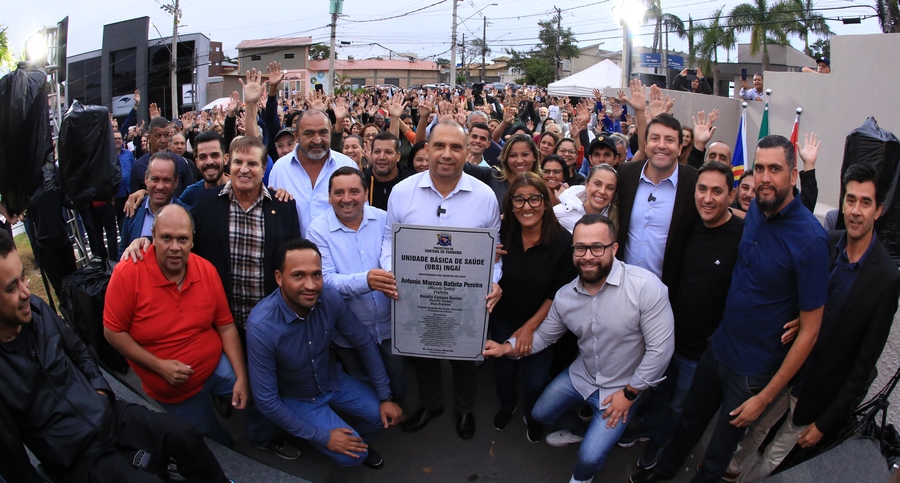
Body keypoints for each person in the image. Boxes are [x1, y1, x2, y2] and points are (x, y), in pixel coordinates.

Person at [630, 135, 830, 483]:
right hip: (716, 350)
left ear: (794, 174)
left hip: (751, 373)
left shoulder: (811, 240)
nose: (765, 178)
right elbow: (725, 213)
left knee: (716, 456)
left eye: (775, 169)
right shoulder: (756, 213)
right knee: (687, 426)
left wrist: (764, 398)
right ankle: (659, 475)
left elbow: (811, 330)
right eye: (760, 168)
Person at [0, 229, 231, 483]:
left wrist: (100, 390)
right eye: (12, 288)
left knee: (183, 435)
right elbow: (13, 460)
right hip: (80, 456)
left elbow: (78, 350)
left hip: (110, 414)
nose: (25, 292)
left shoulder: (37, 309)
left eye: (23, 277)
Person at [725, 163, 900, 481]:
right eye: (850, 200)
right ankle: (729, 472)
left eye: (865, 202)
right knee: (754, 431)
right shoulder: (827, 242)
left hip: (816, 394)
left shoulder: (886, 278)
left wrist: (825, 423)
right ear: (842, 203)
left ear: (879, 210)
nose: (856, 211)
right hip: (785, 370)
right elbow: (802, 299)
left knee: (775, 456)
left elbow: (863, 367)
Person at [484, 214, 674, 483]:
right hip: (581, 375)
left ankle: (582, 477)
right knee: (540, 413)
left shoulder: (645, 287)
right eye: (580, 248)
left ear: (614, 248)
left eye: (597, 247)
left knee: (588, 458)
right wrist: (505, 348)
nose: (588, 256)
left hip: (623, 387)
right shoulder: (565, 296)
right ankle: (582, 431)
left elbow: (660, 351)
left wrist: (630, 394)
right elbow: (544, 337)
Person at [105, 204, 290, 456]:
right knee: (211, 441)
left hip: (215, 366)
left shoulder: (205, 270)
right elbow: (112, 332)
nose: (174, 247)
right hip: (172, 388)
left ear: (192, 241)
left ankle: (262, 438)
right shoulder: (128, 273)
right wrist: (159, 367)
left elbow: (225, 326)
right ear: (152, 237)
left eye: (182, 239)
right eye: (166, 238)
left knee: (259, 392)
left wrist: (241, 377)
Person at [382, 120, 503, 440]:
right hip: (416, 294)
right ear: (427, 148)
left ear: (467, 151)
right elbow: (388, 241)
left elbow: (494, 252)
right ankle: (432, 404)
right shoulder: (402, 192)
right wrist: (394, 273)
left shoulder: (485, 196)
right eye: (439, 146)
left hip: (466, 297)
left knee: (465, 359)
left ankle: (464, 409)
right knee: (422, 355)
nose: (447, 154)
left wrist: (493, 281)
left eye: (455, 147)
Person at [618, 162, 744, 470]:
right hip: (666, 333)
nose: (708, 198)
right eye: (702, 189)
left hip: (701, 347)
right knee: (658, 390)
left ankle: (661, 441)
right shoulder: (688, 224)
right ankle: (648, 427)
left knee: (680, 404)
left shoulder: (742, 235)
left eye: (717, 191)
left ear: (731, 195)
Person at [246, 238, 403, 469]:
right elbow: (267, 401)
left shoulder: (329, 297)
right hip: (298, 397)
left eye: (316, 274)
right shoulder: (261, 326)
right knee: (353, 457)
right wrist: (324, 437)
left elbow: (364, 342)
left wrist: (385, 397)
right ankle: (342, 443)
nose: (311, 285)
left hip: (333, 381)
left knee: (384, 418)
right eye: (298, 275)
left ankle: (352, 440)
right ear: (279, 278)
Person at [306, 167, 407, 406]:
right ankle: (373, 415)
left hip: (390, 324)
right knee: (361, 378)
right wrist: (366, 281)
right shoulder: (317, 230)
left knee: (397, 374)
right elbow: (324, 280)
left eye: (354, 191)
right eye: (338, 193)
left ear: (365, 194)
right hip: (348, 330)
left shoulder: (384, 219)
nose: (347, 199)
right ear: (329, 197)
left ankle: (401, 408)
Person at [489, 172, 576, 443]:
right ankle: (508, 405)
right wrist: (487, 254)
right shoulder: (501, 233)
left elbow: (557, 293)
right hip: (504, 317)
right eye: (519, 200)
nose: (527, 206)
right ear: (511, 205)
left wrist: (529, 328)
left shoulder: (563, 241)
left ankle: (532, 414)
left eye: (534, 199)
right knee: (504, 372)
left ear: (545, 202)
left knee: (535, 381)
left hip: (544, 322)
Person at [615, 113, 699, 290]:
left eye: (669, 140)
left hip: (667, 291)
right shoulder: (626, 173)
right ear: (646, 144)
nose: (661, 145)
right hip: (621, 286)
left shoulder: (693, 182)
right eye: (655, 138)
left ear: (680, 147)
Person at [268, 109, 357, 237]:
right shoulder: (280, 169)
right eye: (309, 133)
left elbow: (360, 214)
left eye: (323, 132)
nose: (317, 140)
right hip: (294, 248)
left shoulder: (347, 166)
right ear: (296, 136)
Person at [119, 152, 186, 255]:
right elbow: (123, 253)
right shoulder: (133, 209)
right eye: (155, 179)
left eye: (166, 180)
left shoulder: (186, 215)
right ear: (146, 179)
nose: (160, 186)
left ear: (176, 181)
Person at [129, 116, 196, 198]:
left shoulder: (181, 163)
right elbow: (135, 199)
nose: (163, 140)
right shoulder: (138, 166)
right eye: (158, 136)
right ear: (149, 138)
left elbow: (191, 196)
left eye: (166, 135)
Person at [554, 164, 619, 233]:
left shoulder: (618, 218)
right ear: (586, 184)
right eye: (597, 184)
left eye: (610, 188)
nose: (602, 191)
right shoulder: (558, 213)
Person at [362, 131, 414, 211]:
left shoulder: (411, 182)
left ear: (398, 156)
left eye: (388, 152)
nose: (381, 157)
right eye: (377, 152)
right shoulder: (362, 182)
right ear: (371, 155)